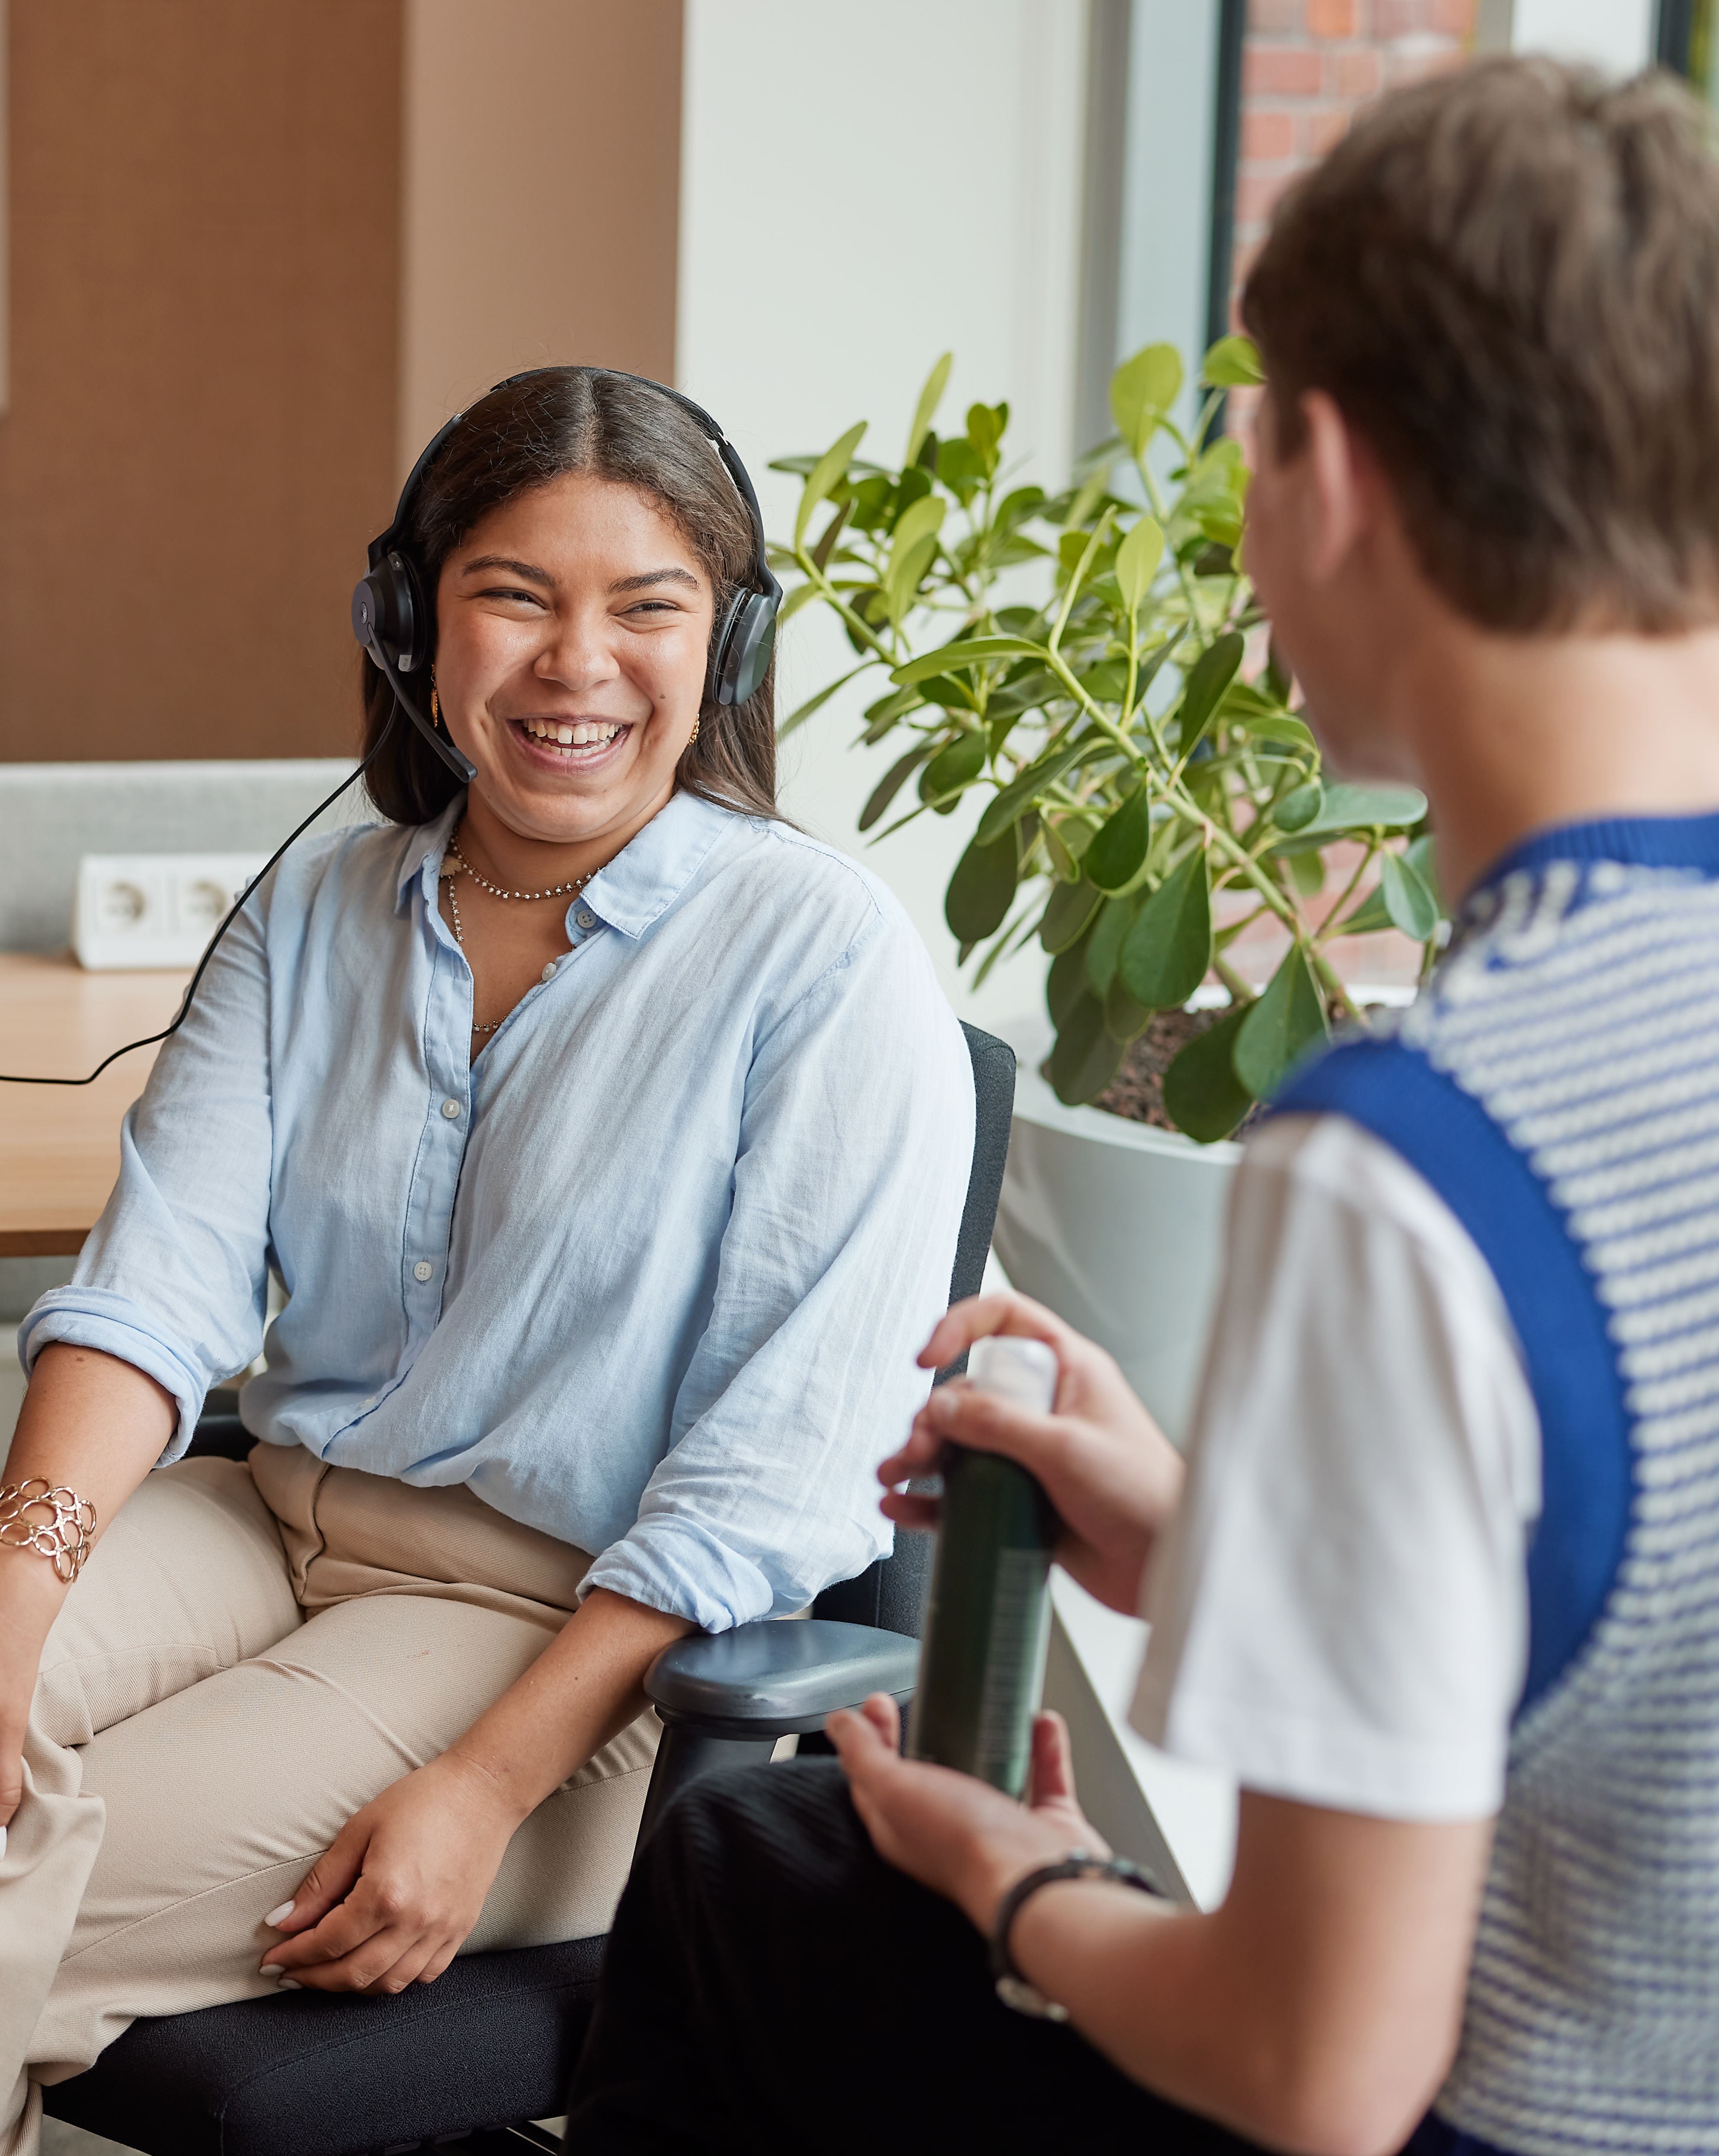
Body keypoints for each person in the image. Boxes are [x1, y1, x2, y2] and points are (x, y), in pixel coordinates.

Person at [0, 368, 973, 2156]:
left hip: (562, 1641)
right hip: (277, 1519)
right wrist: (16, 1573)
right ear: (410, 625)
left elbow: (775, 1475)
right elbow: (154, 1285)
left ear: (725, 646)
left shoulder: (822, 958)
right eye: (512, 596)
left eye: (646, 607)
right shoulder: (318, 909)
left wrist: (482, 1788)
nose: (577, 664)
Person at [564, 58, 1719, 2156]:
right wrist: (1214, 1542)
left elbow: (1317, 2065)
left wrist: (1016, 1877)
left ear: (1329, 475)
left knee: (764, 1867)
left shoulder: (1421, 1150)